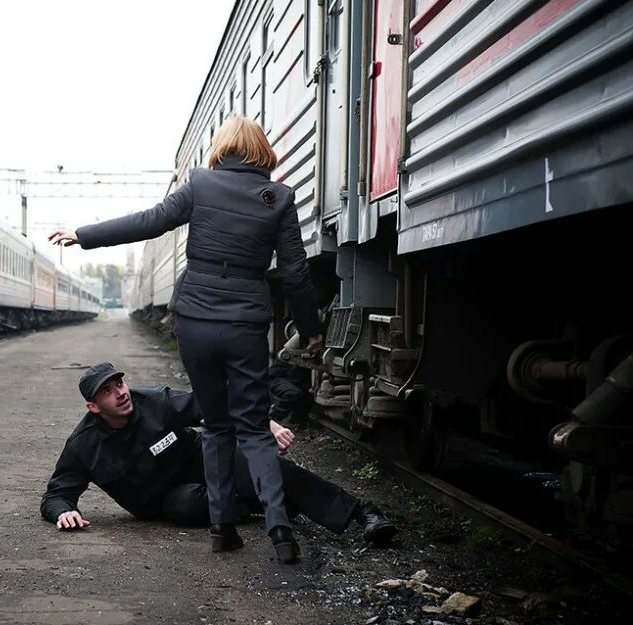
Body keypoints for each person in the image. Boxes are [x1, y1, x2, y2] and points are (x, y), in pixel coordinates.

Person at [49, 117, 324, 563]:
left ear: (221, 150)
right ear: (262, 152)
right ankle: (279, 529)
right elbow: (295, 273)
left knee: (215, 426)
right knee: (253, 428)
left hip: (195, 320)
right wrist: (310, 331)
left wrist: (84, 236)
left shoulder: (200, 184)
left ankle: (222, 528)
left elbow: (150, 221)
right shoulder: (280, 198)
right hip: (245, 324)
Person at [40, 363, 397, 551]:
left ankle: (360, 512)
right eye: (107, 391)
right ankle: (259, 504)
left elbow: (215, 404)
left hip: (201, 459)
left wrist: (266, 424)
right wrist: (65, 511)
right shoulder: (84, 444)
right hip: (168, 499)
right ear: (92, 406)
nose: (120, 393)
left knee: (263, 466)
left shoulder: (153, 401)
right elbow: (57, 493)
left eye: (119, 383)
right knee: (187, 507)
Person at [269, 355, 313, 428]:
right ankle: (272, 418)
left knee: (309, 394)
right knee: (293, 393)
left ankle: (296, 420)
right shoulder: (295, 346)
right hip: (279, 377)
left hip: (296, 379)